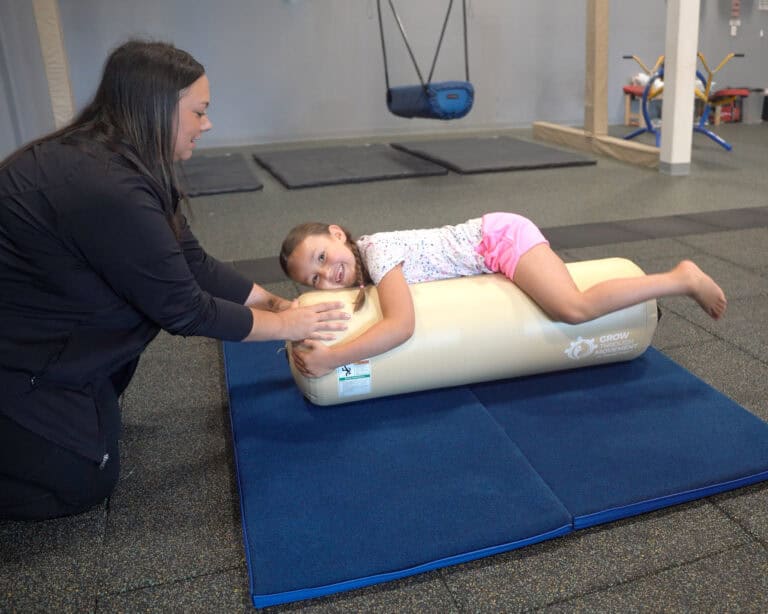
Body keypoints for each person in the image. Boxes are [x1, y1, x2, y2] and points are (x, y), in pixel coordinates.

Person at [0, 40, 348, 521]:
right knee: (87, 479)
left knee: (106, 411)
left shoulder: (124, 161)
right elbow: (186, 309)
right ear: (158, 108)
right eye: (199, 112)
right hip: (20, 358)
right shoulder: (107, 186)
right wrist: (291, 327)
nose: (207, 125)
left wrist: (275, 303)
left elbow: (193, 263)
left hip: (52, 330)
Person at [279, 212, 727, 378]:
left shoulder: (376, 252)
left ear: (338, 233)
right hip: (489, 252)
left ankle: (680, 277)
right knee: (570, 304)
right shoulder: (363, 274)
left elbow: (402, 325)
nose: (326, 273)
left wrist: (335, 359)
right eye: (314, 280)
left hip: (500, 239)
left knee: (572, 308)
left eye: (321, 255)